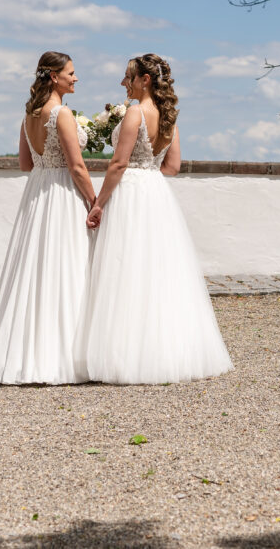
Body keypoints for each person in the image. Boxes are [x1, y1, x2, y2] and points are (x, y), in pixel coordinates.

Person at [79, 53, 233, 384]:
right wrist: (149, 175)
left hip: (130, 191)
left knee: (124, 269)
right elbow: (172, 167)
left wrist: (98, 203)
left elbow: (118, 164)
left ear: (144, 80)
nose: (123, 83)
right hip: (156, 194)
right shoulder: (168, 116)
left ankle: (124, 355)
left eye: (128, 77)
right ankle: (165, 354)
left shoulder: (134, 113)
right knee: (157, 273)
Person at [0, 52, 97, 384]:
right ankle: (64, 358)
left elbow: (26, 164)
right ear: (54, 77)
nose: (76, 78)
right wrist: (95, 201)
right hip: (62, 193)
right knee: (65, 267)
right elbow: (77, 166)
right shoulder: (62, 114)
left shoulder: (29, 114)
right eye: (71, 73)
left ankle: (22, 354)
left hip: (38, 192)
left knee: (35, 269)